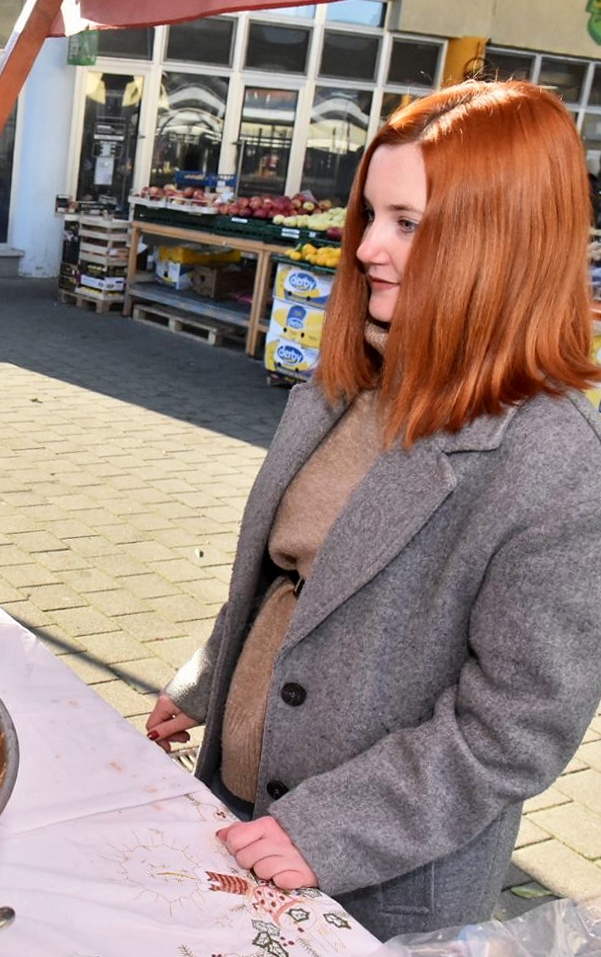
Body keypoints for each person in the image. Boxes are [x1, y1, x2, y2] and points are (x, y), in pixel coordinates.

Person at [145, 80, 601, 941]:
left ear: (501, 242)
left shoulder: (557, 460)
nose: (364, 248)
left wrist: (329, 830)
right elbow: (285, 569)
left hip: (371, 876)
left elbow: (515, 727)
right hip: (236, 800)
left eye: (409, 223)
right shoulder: (346, 381)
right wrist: (203, 686)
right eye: (370, 215)